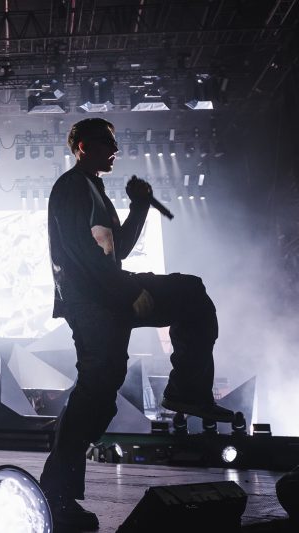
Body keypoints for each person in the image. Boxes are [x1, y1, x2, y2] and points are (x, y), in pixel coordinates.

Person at [39, 118, 235, 530]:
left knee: (191, 294)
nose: (115, 150)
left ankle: (186, 390)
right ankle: (55, 494)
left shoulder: (94, 190)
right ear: (81, 147)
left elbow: (119, 250)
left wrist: (140, 206)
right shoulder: (71, 187)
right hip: (91, 301)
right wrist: (127, 291)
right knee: (97, 392)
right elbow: (79, 252)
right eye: (106, 144)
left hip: (109, 293)